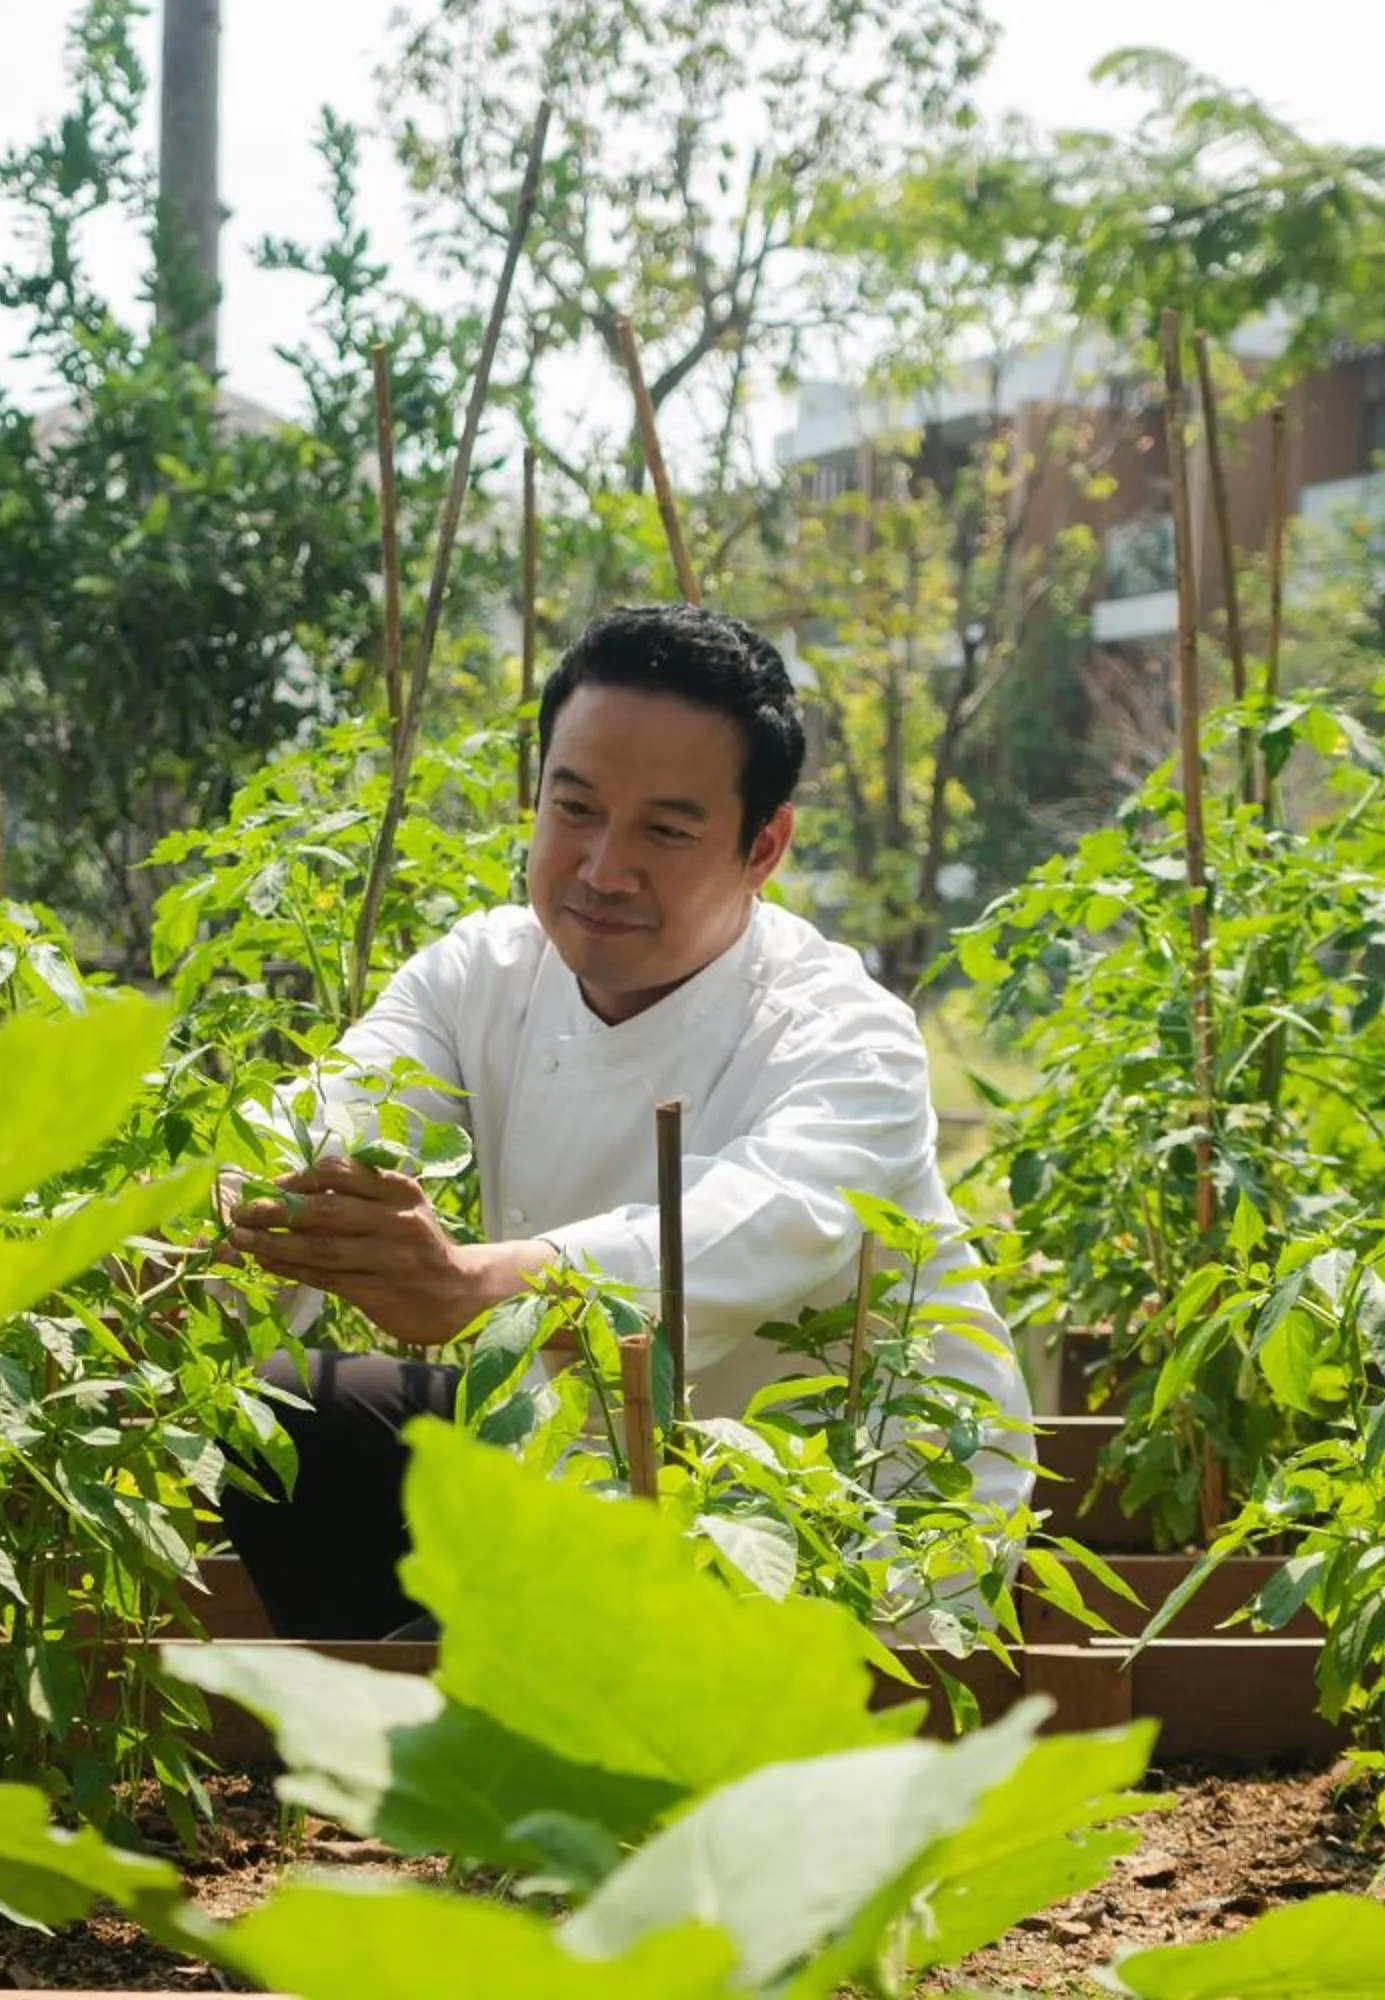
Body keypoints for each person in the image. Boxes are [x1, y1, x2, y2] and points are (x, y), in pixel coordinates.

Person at [214, 601, 1034, 1639]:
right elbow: (329, 1114)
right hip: (598, 1473)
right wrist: (231, 1202)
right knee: (283, 1414)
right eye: (576, 808)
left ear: (763, 844)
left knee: (492, 1674)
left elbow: (743, 1233)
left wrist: (470, 1287)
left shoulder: (844, 1037)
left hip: (845, 1539)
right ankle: (428, 1737)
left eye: (667, 829)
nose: (604, 867)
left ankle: (467, 1740)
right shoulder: (485, 973)